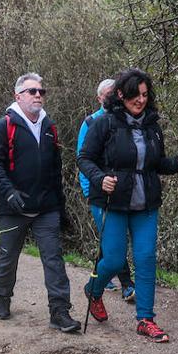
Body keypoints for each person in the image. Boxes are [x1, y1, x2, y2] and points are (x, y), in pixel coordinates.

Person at [77, 68, 178, 342]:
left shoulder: (152, 126)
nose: (140, 100)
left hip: (145, 203)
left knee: (146, 258)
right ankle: (94, 290)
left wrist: (177, 164)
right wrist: (100, 177)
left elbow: (156, 164)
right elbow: (84, 158)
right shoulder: (104, 123)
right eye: (134, 95)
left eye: (144, 95)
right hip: (110, 201)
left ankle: (145, 319)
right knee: (115, 259)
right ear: (120, 94)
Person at [0, 73, 81, 333]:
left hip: (46, 208)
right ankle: (2, 296)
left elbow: (55, 170)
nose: (38, 95)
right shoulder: (4, 126)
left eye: (41, 90)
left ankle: (59, 312)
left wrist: (61, 209)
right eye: (32, 91)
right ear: (18, 96)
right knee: (8, 258)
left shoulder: (49, 127)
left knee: (54, 259)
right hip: (13, 208)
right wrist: (8, 192)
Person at [77, 78, 135, 303]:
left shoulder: (127, 120)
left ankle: (100, 274)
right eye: (108, 94)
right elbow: (83, 158)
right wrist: (87, 189)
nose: (113, 97)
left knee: (110, 240)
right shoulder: (91, 122)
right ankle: (127, 285)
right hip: (99, 193)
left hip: (124, 193)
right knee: (115, 241)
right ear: (100, 98)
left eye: (116, 93)